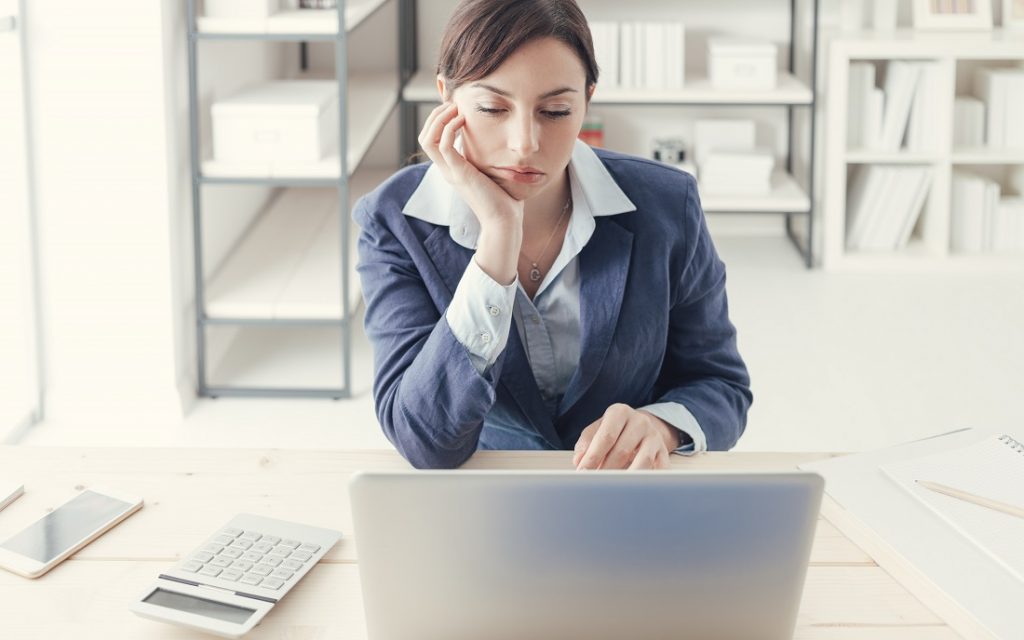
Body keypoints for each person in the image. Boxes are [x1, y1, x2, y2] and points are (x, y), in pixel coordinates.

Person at [353, 0, 752, 470]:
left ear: (587, 100)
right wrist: (498, 239)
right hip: (485, 499)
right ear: (447, 98)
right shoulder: (392, 221)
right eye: (492, 107)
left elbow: (721, 384)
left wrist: (662, 426)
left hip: (625, 493)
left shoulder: (668, 203)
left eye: (556, 111)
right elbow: (424, 439)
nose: (525, 144)